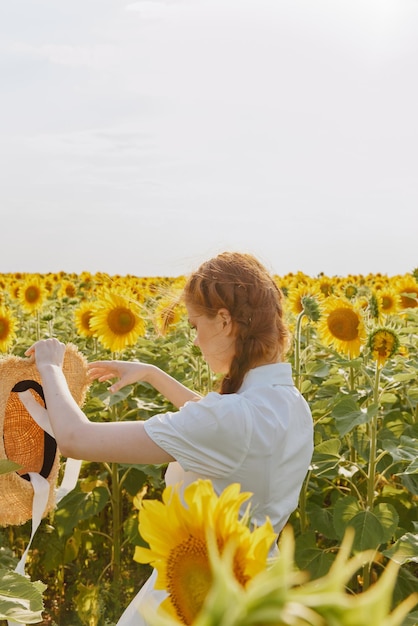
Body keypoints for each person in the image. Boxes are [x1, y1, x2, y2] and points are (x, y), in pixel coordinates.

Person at [26, 251, 314, 626]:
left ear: (224, 321)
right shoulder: (289, 404)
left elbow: (77, 439)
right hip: (261, 593)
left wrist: (50, 367)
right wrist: (154, 374)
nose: (194, 340)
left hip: (195, 595)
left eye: (195, 326)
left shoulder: (229, 420)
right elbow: (224, 431)